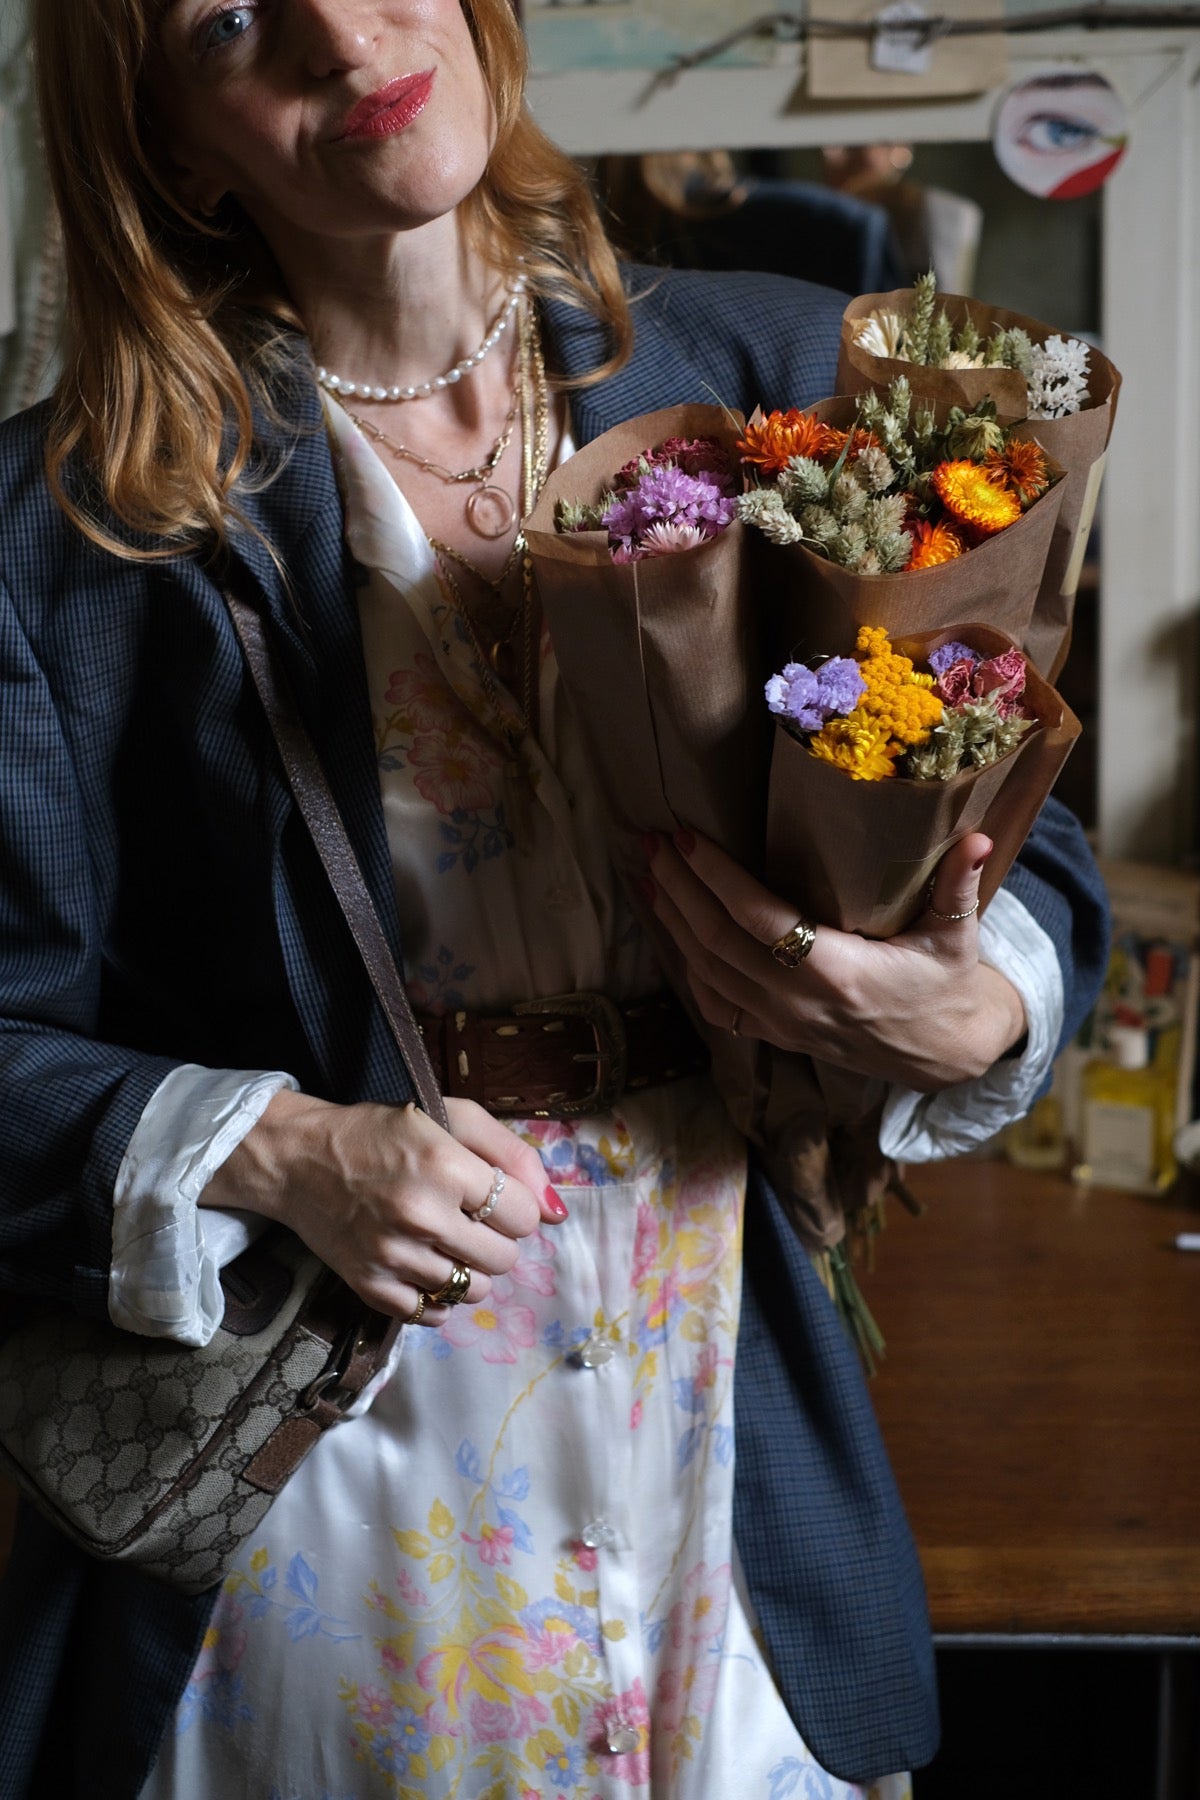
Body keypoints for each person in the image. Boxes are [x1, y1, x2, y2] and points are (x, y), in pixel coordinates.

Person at [0, 1, 1109, 1796]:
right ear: (167, 133)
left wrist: (974, 1003)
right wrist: (278, 1149)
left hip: (727, 1427)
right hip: (334, 1484)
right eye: (229, 19)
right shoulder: (69, 527)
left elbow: (1027, 823)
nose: (346, 38)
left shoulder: (789, 372)